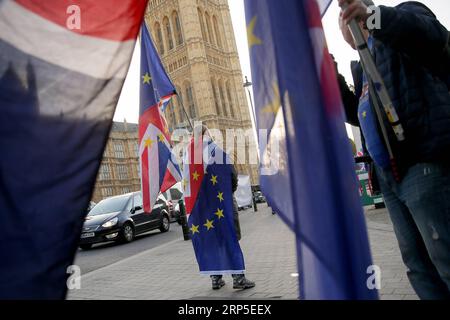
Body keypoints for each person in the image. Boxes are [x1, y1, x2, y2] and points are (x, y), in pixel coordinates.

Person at [336, 0, 450, 299]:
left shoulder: (403, 18)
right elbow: (356, 114)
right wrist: (330, 74)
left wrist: (374, 18)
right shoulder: (364, 62)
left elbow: (432, 35)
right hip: (390, 175)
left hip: (422, 160)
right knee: (418, 266)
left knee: (445, 257)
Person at [197, 125, 255, 290]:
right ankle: (238, 278)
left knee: (214, 242)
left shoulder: (190, 159)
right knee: (231, 238)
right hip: (224, 203)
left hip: (206, 208)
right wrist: (228, 193)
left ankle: (216, 279)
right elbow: (232, 175)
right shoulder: (216, 152)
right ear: (206, 134)